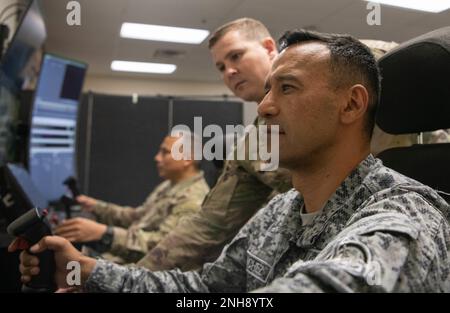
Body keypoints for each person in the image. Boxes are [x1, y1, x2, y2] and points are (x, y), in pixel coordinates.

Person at [12, 30, 450, 292]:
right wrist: (90, 273)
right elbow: (205, 289)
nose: (263, 109)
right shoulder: (282, 210)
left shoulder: (404, 216)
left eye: (289, 89)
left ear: (353, 106)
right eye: (267, 93)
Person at [135, 18, 292, 271]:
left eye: (237, 56)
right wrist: (116, 281)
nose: (229, 71)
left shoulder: (334, 81)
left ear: (269, 47)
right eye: (221, 67)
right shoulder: (249, 148)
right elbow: (208, 226)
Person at [53, 134, 210, 263]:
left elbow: (164, 248)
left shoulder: (193, 200)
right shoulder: (169, 185)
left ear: (188, 159)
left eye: (165, 152)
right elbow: (137, 216)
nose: (157, 158)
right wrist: (96, 206)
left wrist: (105, 234)